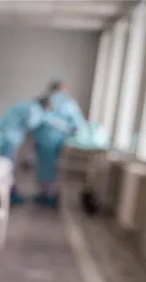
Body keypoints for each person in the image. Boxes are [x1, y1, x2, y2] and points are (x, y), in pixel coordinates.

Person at [32, 80, 86, 208]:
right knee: (52, 167)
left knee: (44, 167)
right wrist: (67, 128)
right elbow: (78, 124)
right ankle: (49, 194)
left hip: (44, 138)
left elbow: (36, 119)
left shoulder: (47, 100)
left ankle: (44, 193)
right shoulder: (69, 103)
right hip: (56, 139)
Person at [0, 96, 51, 205]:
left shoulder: (27, 105)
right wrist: (44, 119)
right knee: (8, 167)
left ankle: (9, 192)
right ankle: (9, 194)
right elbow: (31, 123)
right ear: (46, 105)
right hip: (11, 138)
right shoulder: (34, 109)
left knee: (7, 166)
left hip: (7, 136)